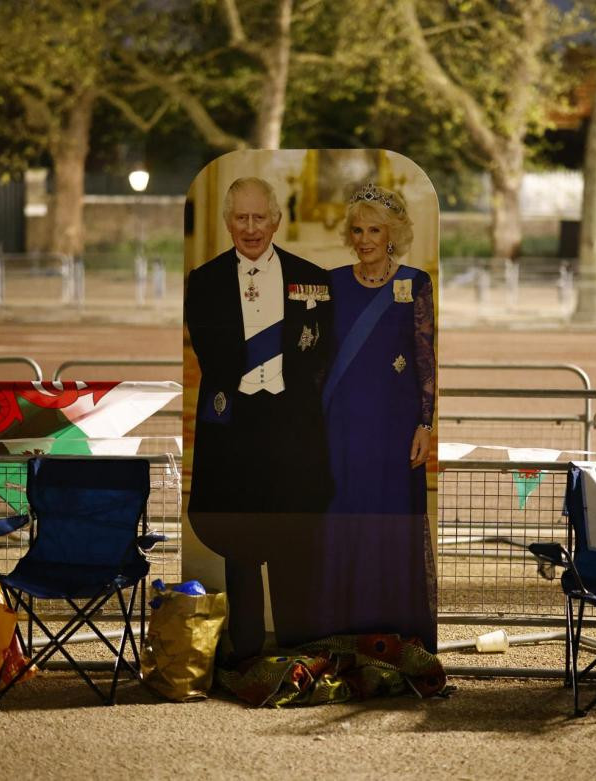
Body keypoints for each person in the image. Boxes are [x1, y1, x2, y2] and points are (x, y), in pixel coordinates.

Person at [184, 176, 333, 659]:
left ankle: (296, 647)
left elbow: (319, 354)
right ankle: (246, 653)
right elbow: (214, 357)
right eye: (241, 218)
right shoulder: (203, 282)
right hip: (237, 432)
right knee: (241, 541)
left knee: (294, 541)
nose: (251, 228)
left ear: (276, 220)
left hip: (292, 430)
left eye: (259, 217)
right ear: (229, 222)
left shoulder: (313, 278)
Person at [318, 182, 437, 649]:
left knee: (388, 518)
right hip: (343, 425)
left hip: (394, 426)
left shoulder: (416, 282)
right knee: (344, 518)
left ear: (392, 234)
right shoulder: (331, 283)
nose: (364, 239)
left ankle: (394, 632)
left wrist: (424, 425)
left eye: (374, 230)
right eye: (357, 230)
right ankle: (344, 631)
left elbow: (425, 358)